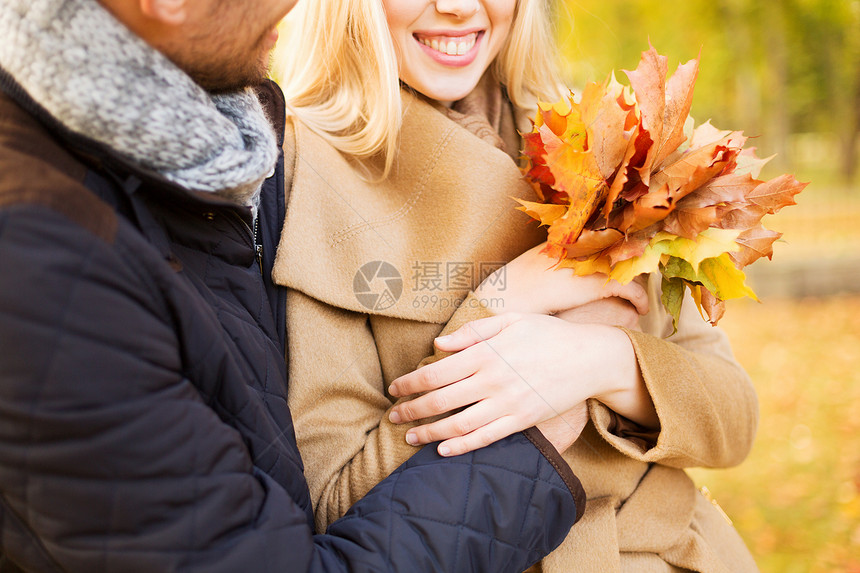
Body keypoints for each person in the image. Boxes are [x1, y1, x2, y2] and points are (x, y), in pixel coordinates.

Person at [0, 0, 589, 571]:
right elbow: (314, 513)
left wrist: (606, 360)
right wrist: (536, 416)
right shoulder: (45, 270)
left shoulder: (201, 169)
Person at [273, 0, 761, 570]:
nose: (456, 7)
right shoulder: (305, 173)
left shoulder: (596, 139)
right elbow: (337, 507)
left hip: (685, 551)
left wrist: (601, 360)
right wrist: (505, 302)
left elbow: (735, 417)